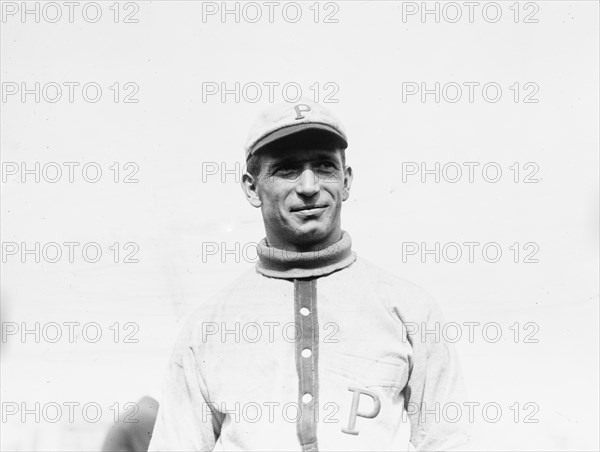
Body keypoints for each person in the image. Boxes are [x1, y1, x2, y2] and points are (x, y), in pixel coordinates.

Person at [148, 100, 469, 451]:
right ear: (252, 188)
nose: (309, 186)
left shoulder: (408, 308)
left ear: (346, 181)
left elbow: (447, 441)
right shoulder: (207, 327)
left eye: (324, 166)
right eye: (287, 170)